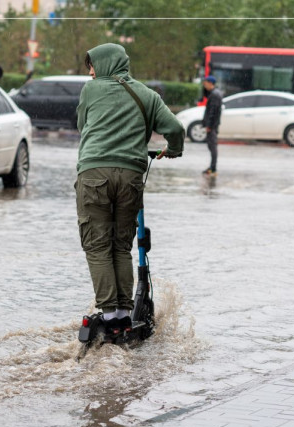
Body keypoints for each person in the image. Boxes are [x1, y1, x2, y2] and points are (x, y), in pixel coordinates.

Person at [75, 43, 184, 330]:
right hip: (131, 175)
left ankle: (108, 315)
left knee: (97, 245)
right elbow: (174, 129)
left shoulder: (90, 89)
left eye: (93, 65)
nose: (91, 71)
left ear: (105, 64)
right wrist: (172, 150)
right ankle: (124, 314)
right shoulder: (148, 95)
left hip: (94, 173)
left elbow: (81, 125)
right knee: (121, 246)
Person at [201, 75, 222, 176]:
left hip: (212, 126)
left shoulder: (215, 95)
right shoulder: (213, 93)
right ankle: (212, 167)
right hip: (212, 125)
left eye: (205, 84)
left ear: (211, 83)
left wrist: (209, 126)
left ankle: (213, 168)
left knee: (212, 147)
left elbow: (213, 112)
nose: (204, 86)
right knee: (211, 146)